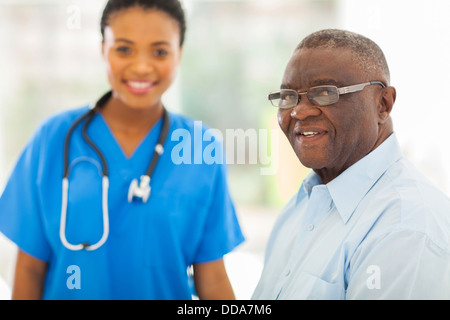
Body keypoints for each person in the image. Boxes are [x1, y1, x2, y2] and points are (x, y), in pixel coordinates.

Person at [0, 0, 244, 300]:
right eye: (124, 49)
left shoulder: (200, 147)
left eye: (160, 51)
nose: (141, 66)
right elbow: (29, 270)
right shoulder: (52, 139)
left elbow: (212, 276)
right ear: (103, 49)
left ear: (179, 53)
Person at [252, 29, 450, 300]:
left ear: (383, 104)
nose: (299, 111)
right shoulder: (301, 206)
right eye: (288, 96)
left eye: (324, 93)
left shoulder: (406, 228)